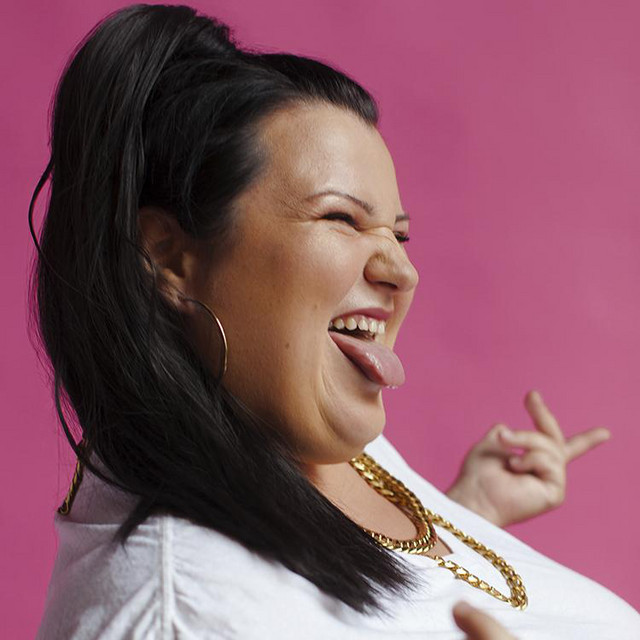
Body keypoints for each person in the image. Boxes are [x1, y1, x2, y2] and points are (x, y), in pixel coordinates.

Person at [29, 4, 639, 639]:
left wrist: (468, 513)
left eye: (399, 235)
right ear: (169, 258)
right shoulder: (181, 613)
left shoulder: (296, 436)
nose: (403, 272)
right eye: (342, 219)